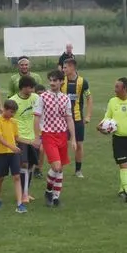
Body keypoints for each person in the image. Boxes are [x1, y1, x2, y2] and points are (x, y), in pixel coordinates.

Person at [33, 70, 76, 207]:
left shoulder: (66, 98)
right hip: (48, 134)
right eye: (50, 80)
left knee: (60, 168)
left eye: (55, 80)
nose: (52, 83)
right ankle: (48, 191)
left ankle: (56, 197)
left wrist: (73, 138)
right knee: (56, 166)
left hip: (62, 135)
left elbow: (69, 118)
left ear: (61, 81)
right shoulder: (43, 97)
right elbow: (36, 118)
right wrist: (37, 136)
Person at [10, 75, 40, 204]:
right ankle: (23, 194)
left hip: (33, 137)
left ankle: (26, 191)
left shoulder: (36, 98)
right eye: (30, 88)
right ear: (23, 87)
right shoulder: (13, 101)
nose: (32, 90)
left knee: (31, 164)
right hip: (20, 137)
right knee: (24, 164)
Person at [61, 58, 93, 178]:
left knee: (79, 145)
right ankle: (59, 169)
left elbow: (89, 98)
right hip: (63, 119)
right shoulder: (61, 80)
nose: (63, 69)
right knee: (62, 144)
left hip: (77, 118)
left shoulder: (82, 82)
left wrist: (88, 115)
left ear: (72, 67)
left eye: (65, 67)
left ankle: (78, 170)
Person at [0, 99, 26, 213]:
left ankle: (20, 204)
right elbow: (0, 139)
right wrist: (12, 147)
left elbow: (16, 137)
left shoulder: (14, 122)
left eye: (14, 112)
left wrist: (30, 142)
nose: (13, 115)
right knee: (0, 178)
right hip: (1, 153)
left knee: (16, 177)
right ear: (5, 109)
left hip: (13, 154)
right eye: (11, 112)